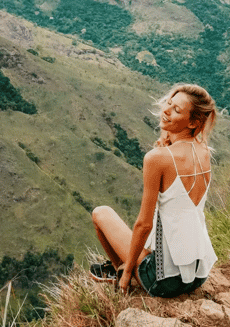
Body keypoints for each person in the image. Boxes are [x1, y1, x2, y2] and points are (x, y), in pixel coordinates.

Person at [90, 84, 218, 298]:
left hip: (163, 283)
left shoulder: (157, 158)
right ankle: (125, 268)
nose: (166, 110)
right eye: (169, 103)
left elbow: (144, 224)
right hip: (198, 274)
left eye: (177, 110)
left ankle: (121, 272)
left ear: (194, 122)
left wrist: (129, 271)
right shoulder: (205, 152)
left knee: (100, 213)